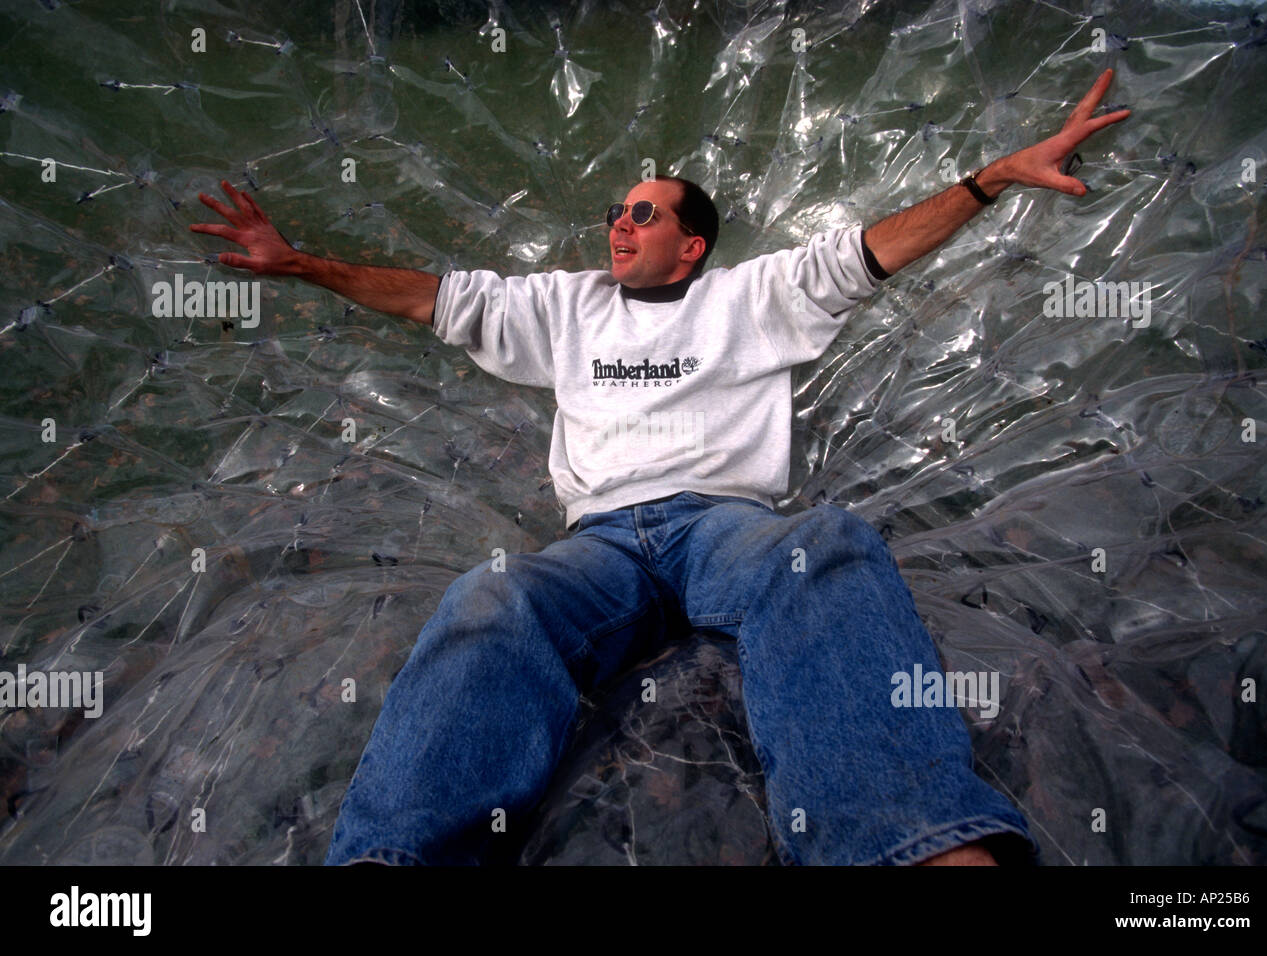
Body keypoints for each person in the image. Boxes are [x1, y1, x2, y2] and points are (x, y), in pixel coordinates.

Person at [192, 70, 1131, 865]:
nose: (618, 224)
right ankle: (398, 856)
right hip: (602, 546)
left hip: (725, 525)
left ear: (691, 243)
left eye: (643, 213)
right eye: (615, 210)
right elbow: (429, 300)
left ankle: (912, 839)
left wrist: (995, 178)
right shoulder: (565, 305)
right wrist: (301, 264)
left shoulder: (752, 297)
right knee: (494, 597)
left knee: (827, 546)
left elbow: (876, 250)